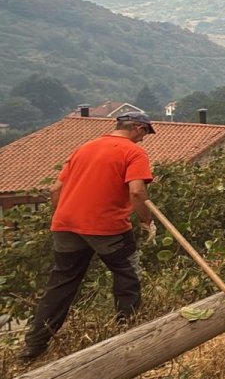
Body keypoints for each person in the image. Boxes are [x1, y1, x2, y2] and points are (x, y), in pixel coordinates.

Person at [20, 113, 157, 361]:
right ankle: (128, 337)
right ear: (138, 128)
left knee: (61, 283)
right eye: (145, 133)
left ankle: (34, 346)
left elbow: (56, 189)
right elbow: (137, 191)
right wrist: (147, 221)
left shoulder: (85, 148)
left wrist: (66, 216)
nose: (144, 139)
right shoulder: (133, 152)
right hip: (107, 226)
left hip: (66, 224)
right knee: (128, 275)